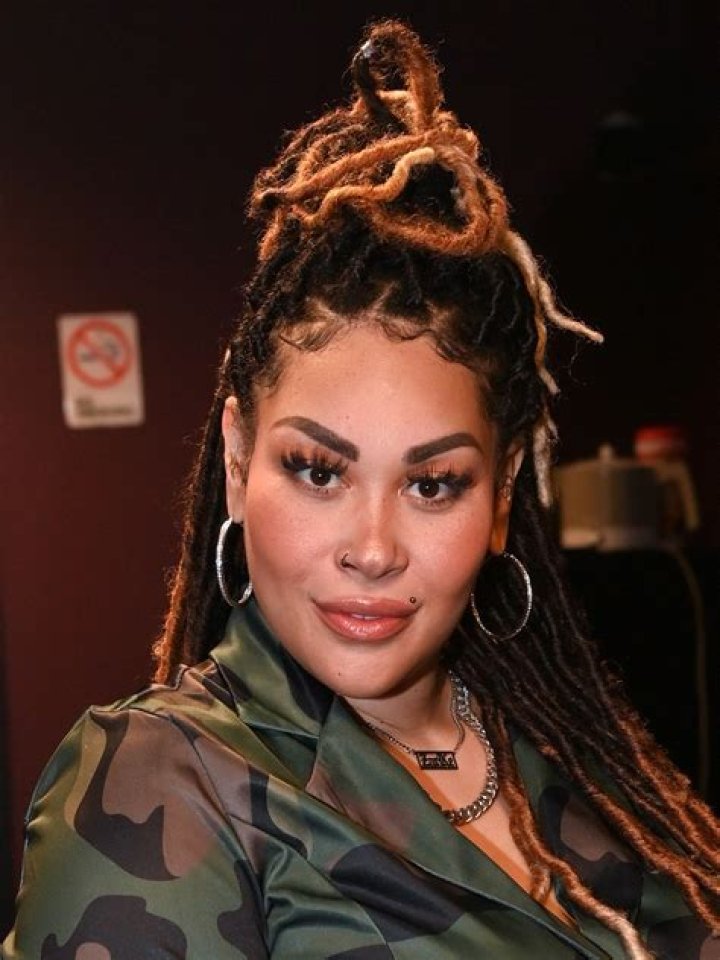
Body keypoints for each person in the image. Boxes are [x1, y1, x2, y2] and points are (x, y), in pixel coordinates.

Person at [3, 20, 718, 960]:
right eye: (318, 470)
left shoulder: (576, 759)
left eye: (434, 483)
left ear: (501, 494)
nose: (373, 549)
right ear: (237, 461)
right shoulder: (170, 780)